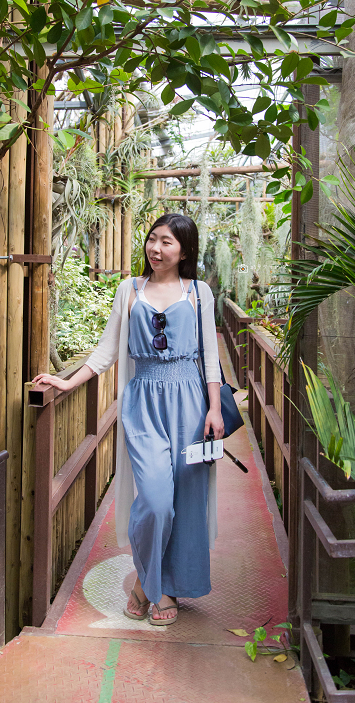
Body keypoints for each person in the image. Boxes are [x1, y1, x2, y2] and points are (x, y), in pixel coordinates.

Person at [33, 214, 223, 626]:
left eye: (167, 242)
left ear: (185, 250)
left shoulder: (199, 292)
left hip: (190, 402)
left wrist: (213, 408)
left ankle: (155, 587)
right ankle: (150, 579)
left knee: (186, 503)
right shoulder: (130, 289)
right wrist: (67, 384)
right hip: (144, 402)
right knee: (155, 502)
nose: (156, 248)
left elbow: (210, 356)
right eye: (152, 240)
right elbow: (106, 351)